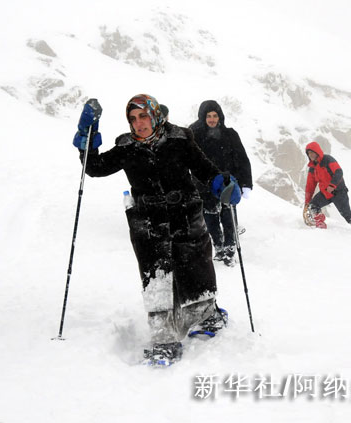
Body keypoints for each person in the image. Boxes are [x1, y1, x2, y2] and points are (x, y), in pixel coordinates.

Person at [72, 94, 241, 365]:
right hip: (148, 220)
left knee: (195, 266)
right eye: (133, 119)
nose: (139, 124)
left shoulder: (180, 139)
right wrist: (86, 140)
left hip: (184, 212)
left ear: (155, 114)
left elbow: (203, 168)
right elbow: (95, 168)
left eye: (143, 116)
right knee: (156, 277)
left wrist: (221, 182)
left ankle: (207, 315)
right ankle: (164, 339)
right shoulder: (126, 147)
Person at [189, 100, 253, 266]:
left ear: (220, 116)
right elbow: (188, 160)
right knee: (210, 215)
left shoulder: (230, 134)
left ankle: (230, 248)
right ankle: (218, 246)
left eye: (215, 115)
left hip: (227, 182)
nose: (212, 119)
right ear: (202, 117)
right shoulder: (195, 134)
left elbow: (242, 159)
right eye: (208, 116)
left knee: (228, 214)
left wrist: (246, 183)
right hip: (204, 183)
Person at [303, 142, 351, 232]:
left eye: (312, 152)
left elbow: (338, 172)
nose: (310, 155)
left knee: (346, 214)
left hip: (339, 192)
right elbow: (310, 186)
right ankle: (320, 224)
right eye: (308, 153)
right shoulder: (312, 168)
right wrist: (307, 202)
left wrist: (332, 185)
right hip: (325, 193)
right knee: (313, 206)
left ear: (317, 151)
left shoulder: (328, 159)